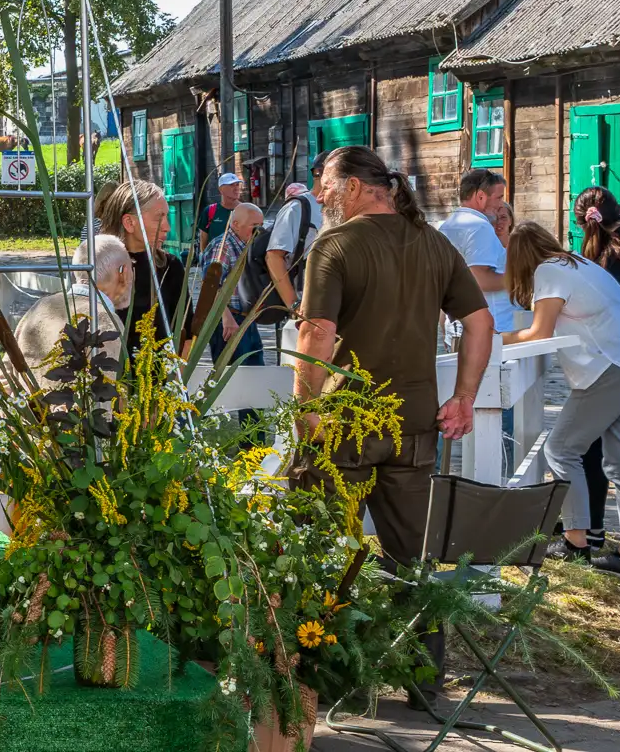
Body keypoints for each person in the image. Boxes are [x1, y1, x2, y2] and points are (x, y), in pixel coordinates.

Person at [293, 146, 492, 566]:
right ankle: (418, 613)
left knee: (325, 555)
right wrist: (464, 396)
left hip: (346, 422)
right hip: (414, 424)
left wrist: (305, 409)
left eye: (326, 186)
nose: (321, 196)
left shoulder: (335, 244)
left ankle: (339, 611)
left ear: (353, 186)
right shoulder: (433, 242)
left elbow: (316, 333)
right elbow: (481, 323)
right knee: (412, 558)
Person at [502, 222, 620, 578]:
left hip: (607, 368)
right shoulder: (578, 263)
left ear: (520, 258)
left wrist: (492, 339)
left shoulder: (549, 270)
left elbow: (538, 332)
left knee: (561, 450)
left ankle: (576, 541)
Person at [565, 187, 620, 554]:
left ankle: (588, 531)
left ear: (582, 223)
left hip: (614, 360)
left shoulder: (604, 258)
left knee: (581, 449)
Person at [97, 178, 193, 351]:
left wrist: (180, 366)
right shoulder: (98, 267)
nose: (167, 227)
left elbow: (187, 331)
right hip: (109, 366)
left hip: (160, 366)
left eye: (167, 216)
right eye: (159, 218)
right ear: (129, 223)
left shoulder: (170, 267)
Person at [17, 235, 133, 374]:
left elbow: (6, 370)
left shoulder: (41, 305)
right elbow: (105, 383)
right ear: (124, 273)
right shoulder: (105, 321)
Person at [437, 168, 515, 335]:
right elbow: (480, 280)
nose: (500, 204)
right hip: (490, 327)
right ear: (480, 197)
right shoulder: (479, 226)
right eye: (499, 197)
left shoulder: (447, 226)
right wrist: (519, 279)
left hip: (458, 324)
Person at [204, 203, 265, 366]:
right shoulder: (223, 246)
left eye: (261, 225)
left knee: (255, 372)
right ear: (236, 224)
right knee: (232, 374)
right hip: (229, 319)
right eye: (254, 225)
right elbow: (210, 286)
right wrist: (227, 318)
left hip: (246, 319)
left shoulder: (247, 244)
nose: (259, 231)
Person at [265, 180, 323, 321]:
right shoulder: (297, 207)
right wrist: (294, 306)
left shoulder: (344, 209)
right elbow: (273, 256)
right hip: (307, 306)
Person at [198, 172, 243, 257]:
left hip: (240, 260)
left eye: (237, 185)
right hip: (214, 260)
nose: (236, 188)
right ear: (221, 189)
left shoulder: (246, 210)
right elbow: (203, 241)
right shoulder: (210, 211)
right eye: (231, 185)